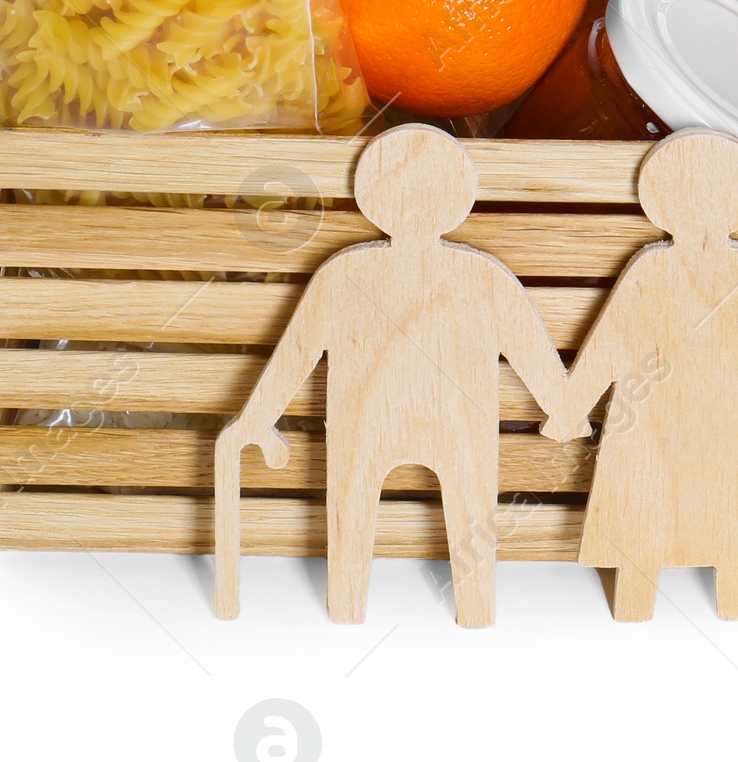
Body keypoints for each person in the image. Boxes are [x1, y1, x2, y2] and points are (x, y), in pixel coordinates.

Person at [215, 125, 569, 627]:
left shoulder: (347, 273)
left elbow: (296, 353)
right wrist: (563, 408)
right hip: (433, 423)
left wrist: (257, 419)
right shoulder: (481, 277)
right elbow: (534, 354)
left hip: (384, 422)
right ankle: (467, 611)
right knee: (444, 512)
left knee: (362, 507)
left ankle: (355, 608)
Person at [545, 129, 738, 619]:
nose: (704, 218)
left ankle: (716, 602)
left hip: (714, 427)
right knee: (656, 520)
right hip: (667, 426)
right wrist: (570, 407)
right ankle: (650, 602)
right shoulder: (658, 271)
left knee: (722, 522)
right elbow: (610, 344)